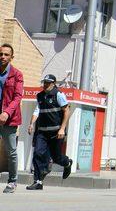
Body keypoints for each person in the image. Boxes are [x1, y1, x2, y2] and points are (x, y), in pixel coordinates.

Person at [26, 74, 72, 190]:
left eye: (48, 82)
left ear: (53, 84)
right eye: (44, 82)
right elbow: (37, 111)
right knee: (37, 154)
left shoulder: (59, 94)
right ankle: (38, 181)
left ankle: (67, 163)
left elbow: (66, 111)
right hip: (42, 132)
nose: (45, 85)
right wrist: (31, 124)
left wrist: (62, 128)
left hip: (56, 132)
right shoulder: (40, 96)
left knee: (56, 158)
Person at [0, 44, 23, 194]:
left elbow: (18, 96)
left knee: (11, 151)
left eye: (6, 54)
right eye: (1, 54)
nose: (3, 56)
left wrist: (7, 112)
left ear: (11, 57)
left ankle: (12, 181)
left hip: (9, 119)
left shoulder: (17, 74)